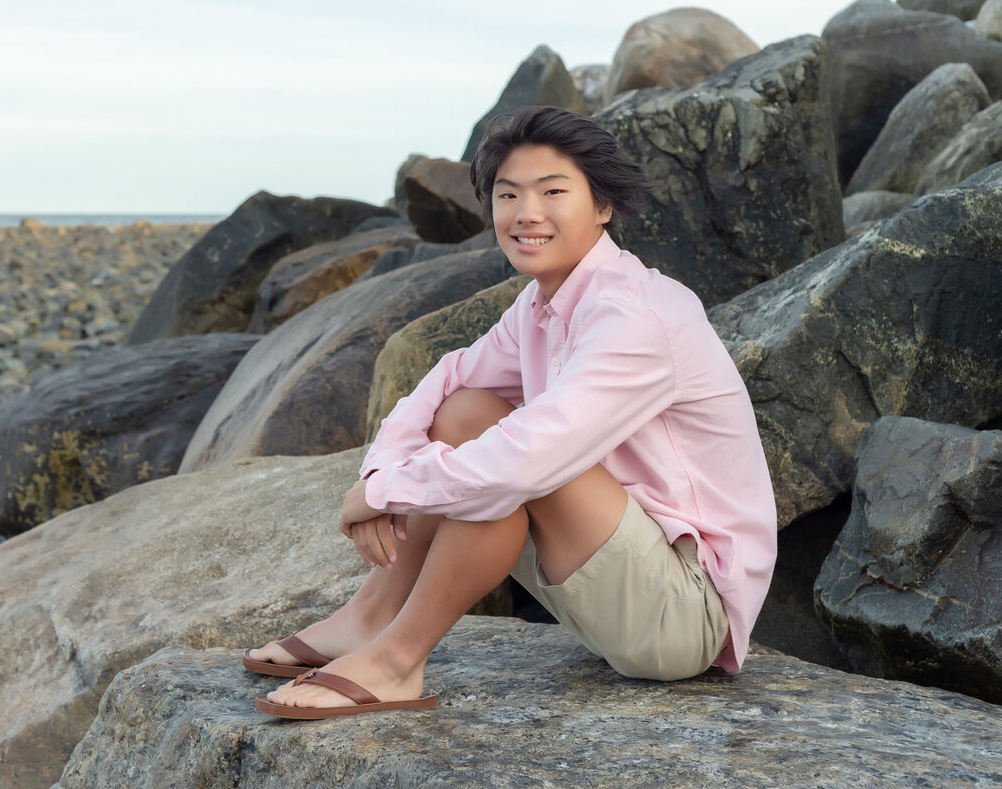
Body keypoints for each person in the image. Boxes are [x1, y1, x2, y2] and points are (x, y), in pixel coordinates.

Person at [246, 105, 777, 720]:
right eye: (508, 194)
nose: (527, 213)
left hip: (683, 613)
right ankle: (372, 616)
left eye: (553, 192)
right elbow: (448, 381)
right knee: (466, 410)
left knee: (504, 458)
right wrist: (377, 476)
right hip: (616, 581)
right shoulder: (543, 304)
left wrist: (393, 491)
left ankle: (396, 661)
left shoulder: (636, 316)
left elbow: (526, 459)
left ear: (602, 207)